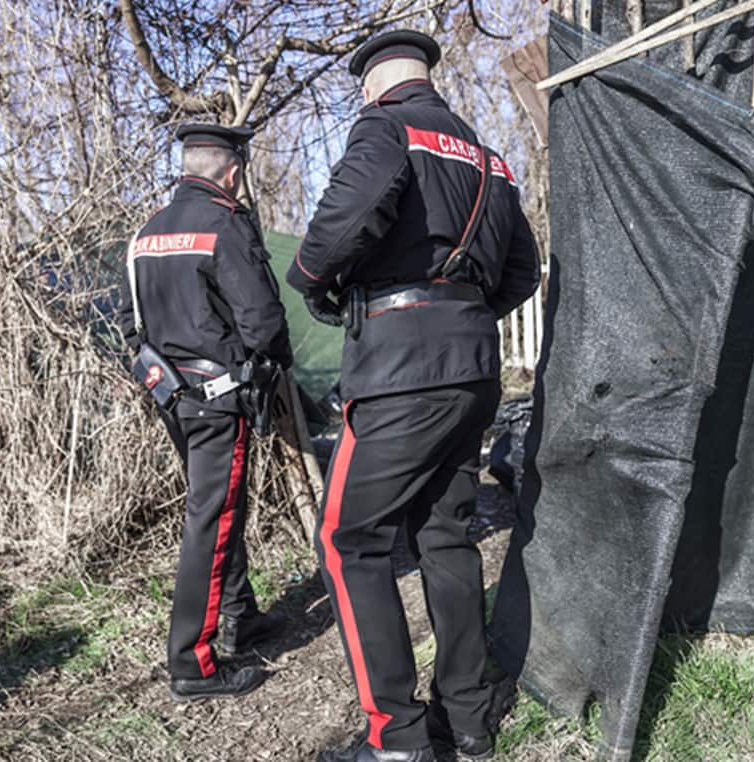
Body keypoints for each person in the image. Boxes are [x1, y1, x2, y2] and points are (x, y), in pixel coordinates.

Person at [286, 30, 541, 762]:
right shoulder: (487, 157)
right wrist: (461, 312)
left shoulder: (384, 126)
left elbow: (346, 217)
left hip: (401, 370)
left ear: (372, 85)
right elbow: (522, 271)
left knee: (348, 539)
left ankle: (395, 738)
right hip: (473, 368)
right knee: (444, 534)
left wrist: (310, 282)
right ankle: (468, 720)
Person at [117, 123, 294, 702]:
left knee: (217, 508)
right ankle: (191, 663)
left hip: (171, 395)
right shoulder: (225, 224)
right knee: (211, 519)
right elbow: (262, 321)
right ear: (232, 173)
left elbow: (130, 324)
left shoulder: (145, 234)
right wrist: (275, 368)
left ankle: (240, 615)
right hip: (219, 395)